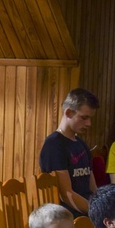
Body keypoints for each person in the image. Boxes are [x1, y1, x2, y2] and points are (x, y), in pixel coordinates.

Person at [39, 88, 99, 216]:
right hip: (67, 216)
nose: (89, 123)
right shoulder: (54, 145)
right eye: (84, 117)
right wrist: (97, 212)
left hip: (88, 211)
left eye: (90, 118)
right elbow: (66, 194)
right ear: (68, 112)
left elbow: (92, 187)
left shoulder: (82, 144)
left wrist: (103, 205)